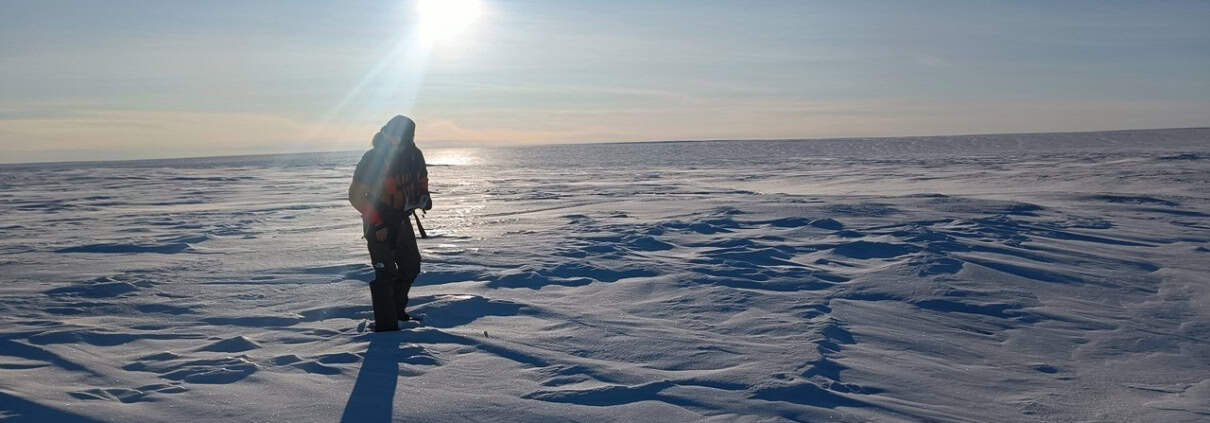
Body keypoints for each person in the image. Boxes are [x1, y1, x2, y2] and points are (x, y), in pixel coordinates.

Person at [348, 115, 431, 332]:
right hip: (378, 222)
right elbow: (356, 196)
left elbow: (421, 179)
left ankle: (397, 312)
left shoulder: (414, 155)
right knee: (385, 274)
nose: (405, 139)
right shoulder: (373, 159)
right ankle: (386, 329)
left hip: (402, 219)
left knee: (411, 266)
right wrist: (377, 223)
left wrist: (423, 196)